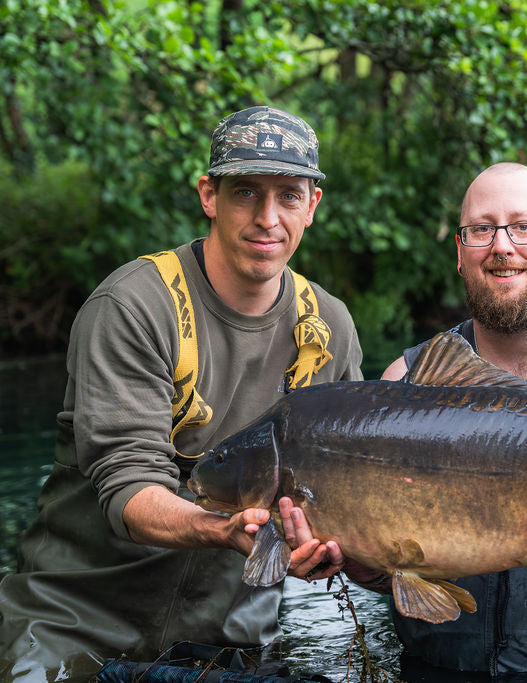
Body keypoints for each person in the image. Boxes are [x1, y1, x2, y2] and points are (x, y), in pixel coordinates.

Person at [0, 105, 362, 679]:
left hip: (231, 639)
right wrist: (225, 530)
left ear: (312, 206)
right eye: (246, 192)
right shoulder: (132, 306)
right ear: (209, 195)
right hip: (74, 627)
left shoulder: (330, 327)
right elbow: (129, 485)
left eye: (289, 196)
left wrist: (345, 549)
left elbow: (348, 487)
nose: (268, 218)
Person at [292, 161, 527, 676]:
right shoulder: (406, 381)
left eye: (524, 226)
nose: (502, 245)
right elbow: (391, 574)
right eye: (481, 229)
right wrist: (351, 557)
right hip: (439, 670)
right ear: (460, 252)